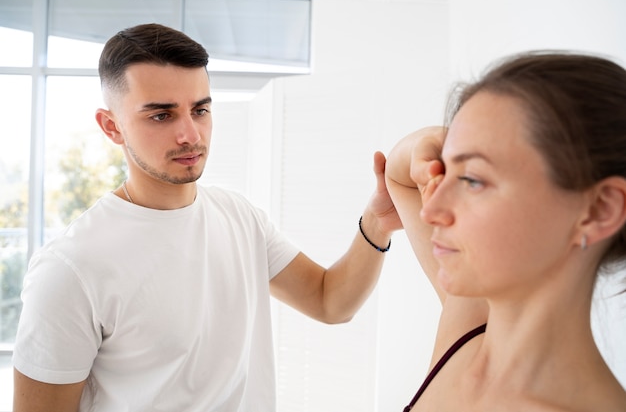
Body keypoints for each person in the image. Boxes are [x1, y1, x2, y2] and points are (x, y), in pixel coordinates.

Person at [12, 23, 401, 412]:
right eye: (162, 116)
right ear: (111, 126)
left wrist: (377, 223)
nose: (190, 134)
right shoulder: (70, 267)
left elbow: (329, 301)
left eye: (200, 110)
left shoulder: (242, 219)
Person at [385, 51, 626, 411]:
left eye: (472, 180)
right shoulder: (465, 330)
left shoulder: (464, 327)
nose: (431, 210)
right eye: (445, 173)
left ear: (599, 210)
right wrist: (448, 147)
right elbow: (399, 174)